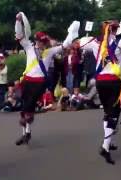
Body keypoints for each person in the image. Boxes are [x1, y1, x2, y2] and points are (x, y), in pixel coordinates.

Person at [79, 20, 121, 164]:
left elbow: (79, 43)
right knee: (114, 114)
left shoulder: (95, 43)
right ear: (115, 30)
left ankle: (107, 142)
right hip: (114, 82)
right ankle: (105, 148)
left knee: (108, 112)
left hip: (100, 82)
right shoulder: (120, 43)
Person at [14, 12, 79, 145]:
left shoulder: (49, 52)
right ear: (37, 41)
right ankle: (26, 133)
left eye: (45, 42)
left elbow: (65, 46)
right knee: (25, 107)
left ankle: (27, 125)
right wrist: (18, 21)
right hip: (26, 80)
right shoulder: (29, 47)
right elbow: (19, 35)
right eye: (41, 42)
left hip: (39, 83)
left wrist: (71, 33)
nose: (43, 44)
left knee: (29, 106)